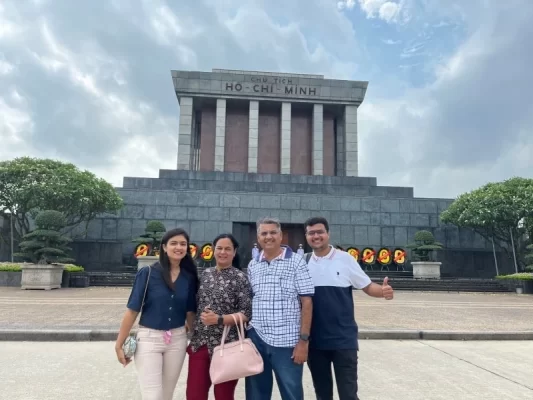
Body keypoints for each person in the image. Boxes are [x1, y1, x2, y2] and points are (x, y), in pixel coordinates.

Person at [303, 217, 394, 400]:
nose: (316, 236)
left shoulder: (345, 259)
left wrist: (382, 291)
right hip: (315, 341)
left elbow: (367, 286)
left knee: (348, 394)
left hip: (343, 340)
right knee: (322, 393)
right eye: (311, 233)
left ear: (328, 234)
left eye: (320, 232)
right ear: (306, 236)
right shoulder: (303, 262)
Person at [115, 228, 199, 400]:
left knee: (166, 395)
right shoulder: (147, 274)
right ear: (164, 247)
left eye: (183, 244)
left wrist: (197, 337)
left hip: (177, 340)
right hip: (148, 339)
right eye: (174, 243)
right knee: (153, 396)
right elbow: (132, 311)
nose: (179, 247)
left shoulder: (189, 278)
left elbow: (190, 312)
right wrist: (119, 344)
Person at [245, 217, 315, 400]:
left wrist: (303, 341)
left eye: (273, 232)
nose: (268, 237)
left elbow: (307, 302)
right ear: (258, 237)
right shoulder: (254, 265)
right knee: (256, 394)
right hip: (257, 338)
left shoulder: (297, 262)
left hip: (288, 343)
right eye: (264, 233)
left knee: (291, 393)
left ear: (281, 235)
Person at [186, 233, 253, 400]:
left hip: (227, 346)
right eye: (219, 248)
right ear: (213, 250)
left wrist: (219, 319)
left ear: (234, 252)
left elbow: (246, 313)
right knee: (195, 393)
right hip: (200, 343)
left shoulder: (241, 278)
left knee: (223, 395)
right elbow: (193, 305)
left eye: (227, 249)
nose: (223, 252)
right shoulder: (205, 274)